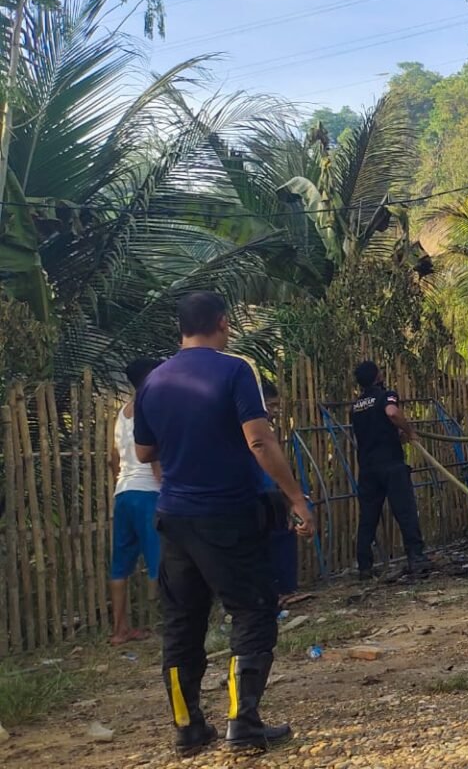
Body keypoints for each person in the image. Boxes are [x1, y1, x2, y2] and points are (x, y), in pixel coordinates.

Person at [133, 292, 315, 755]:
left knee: (181, 624)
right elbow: (259, 439)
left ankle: (188, 729)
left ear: (181, 328)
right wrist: (296, 497)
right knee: (252, 610)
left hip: (173, 517)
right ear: (222, 323)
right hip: (226, 514)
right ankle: (243, 724)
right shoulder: (235, 370)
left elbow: (143, 452)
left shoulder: (153, 380)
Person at [349, 360, 428, 579]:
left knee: (368, 517)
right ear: (377, 377)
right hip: (391, 465)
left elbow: (371, 434)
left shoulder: (355, 406)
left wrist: (396, 437)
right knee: (405, 511)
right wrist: (410, 431)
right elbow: (392, 413)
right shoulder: (386, 395)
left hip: (367, 468)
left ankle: (364, 566)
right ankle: (417, 557)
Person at [107, 357, 163, 646]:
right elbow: (153, 456)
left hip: (124, 492)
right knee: (160, 560)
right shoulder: (151, 407)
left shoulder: (122, 413)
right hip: (148, 493)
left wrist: (122, 479)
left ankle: (120, 630)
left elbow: (113, 458)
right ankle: (166, 624)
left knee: (121, 564)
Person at [259, 379, 300, 605]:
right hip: (261, 493)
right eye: (271, 405)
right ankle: (282, 590)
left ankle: (277, 590)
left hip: (266, 491)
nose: (275, 411)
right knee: (280, 535)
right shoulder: (255, 428)